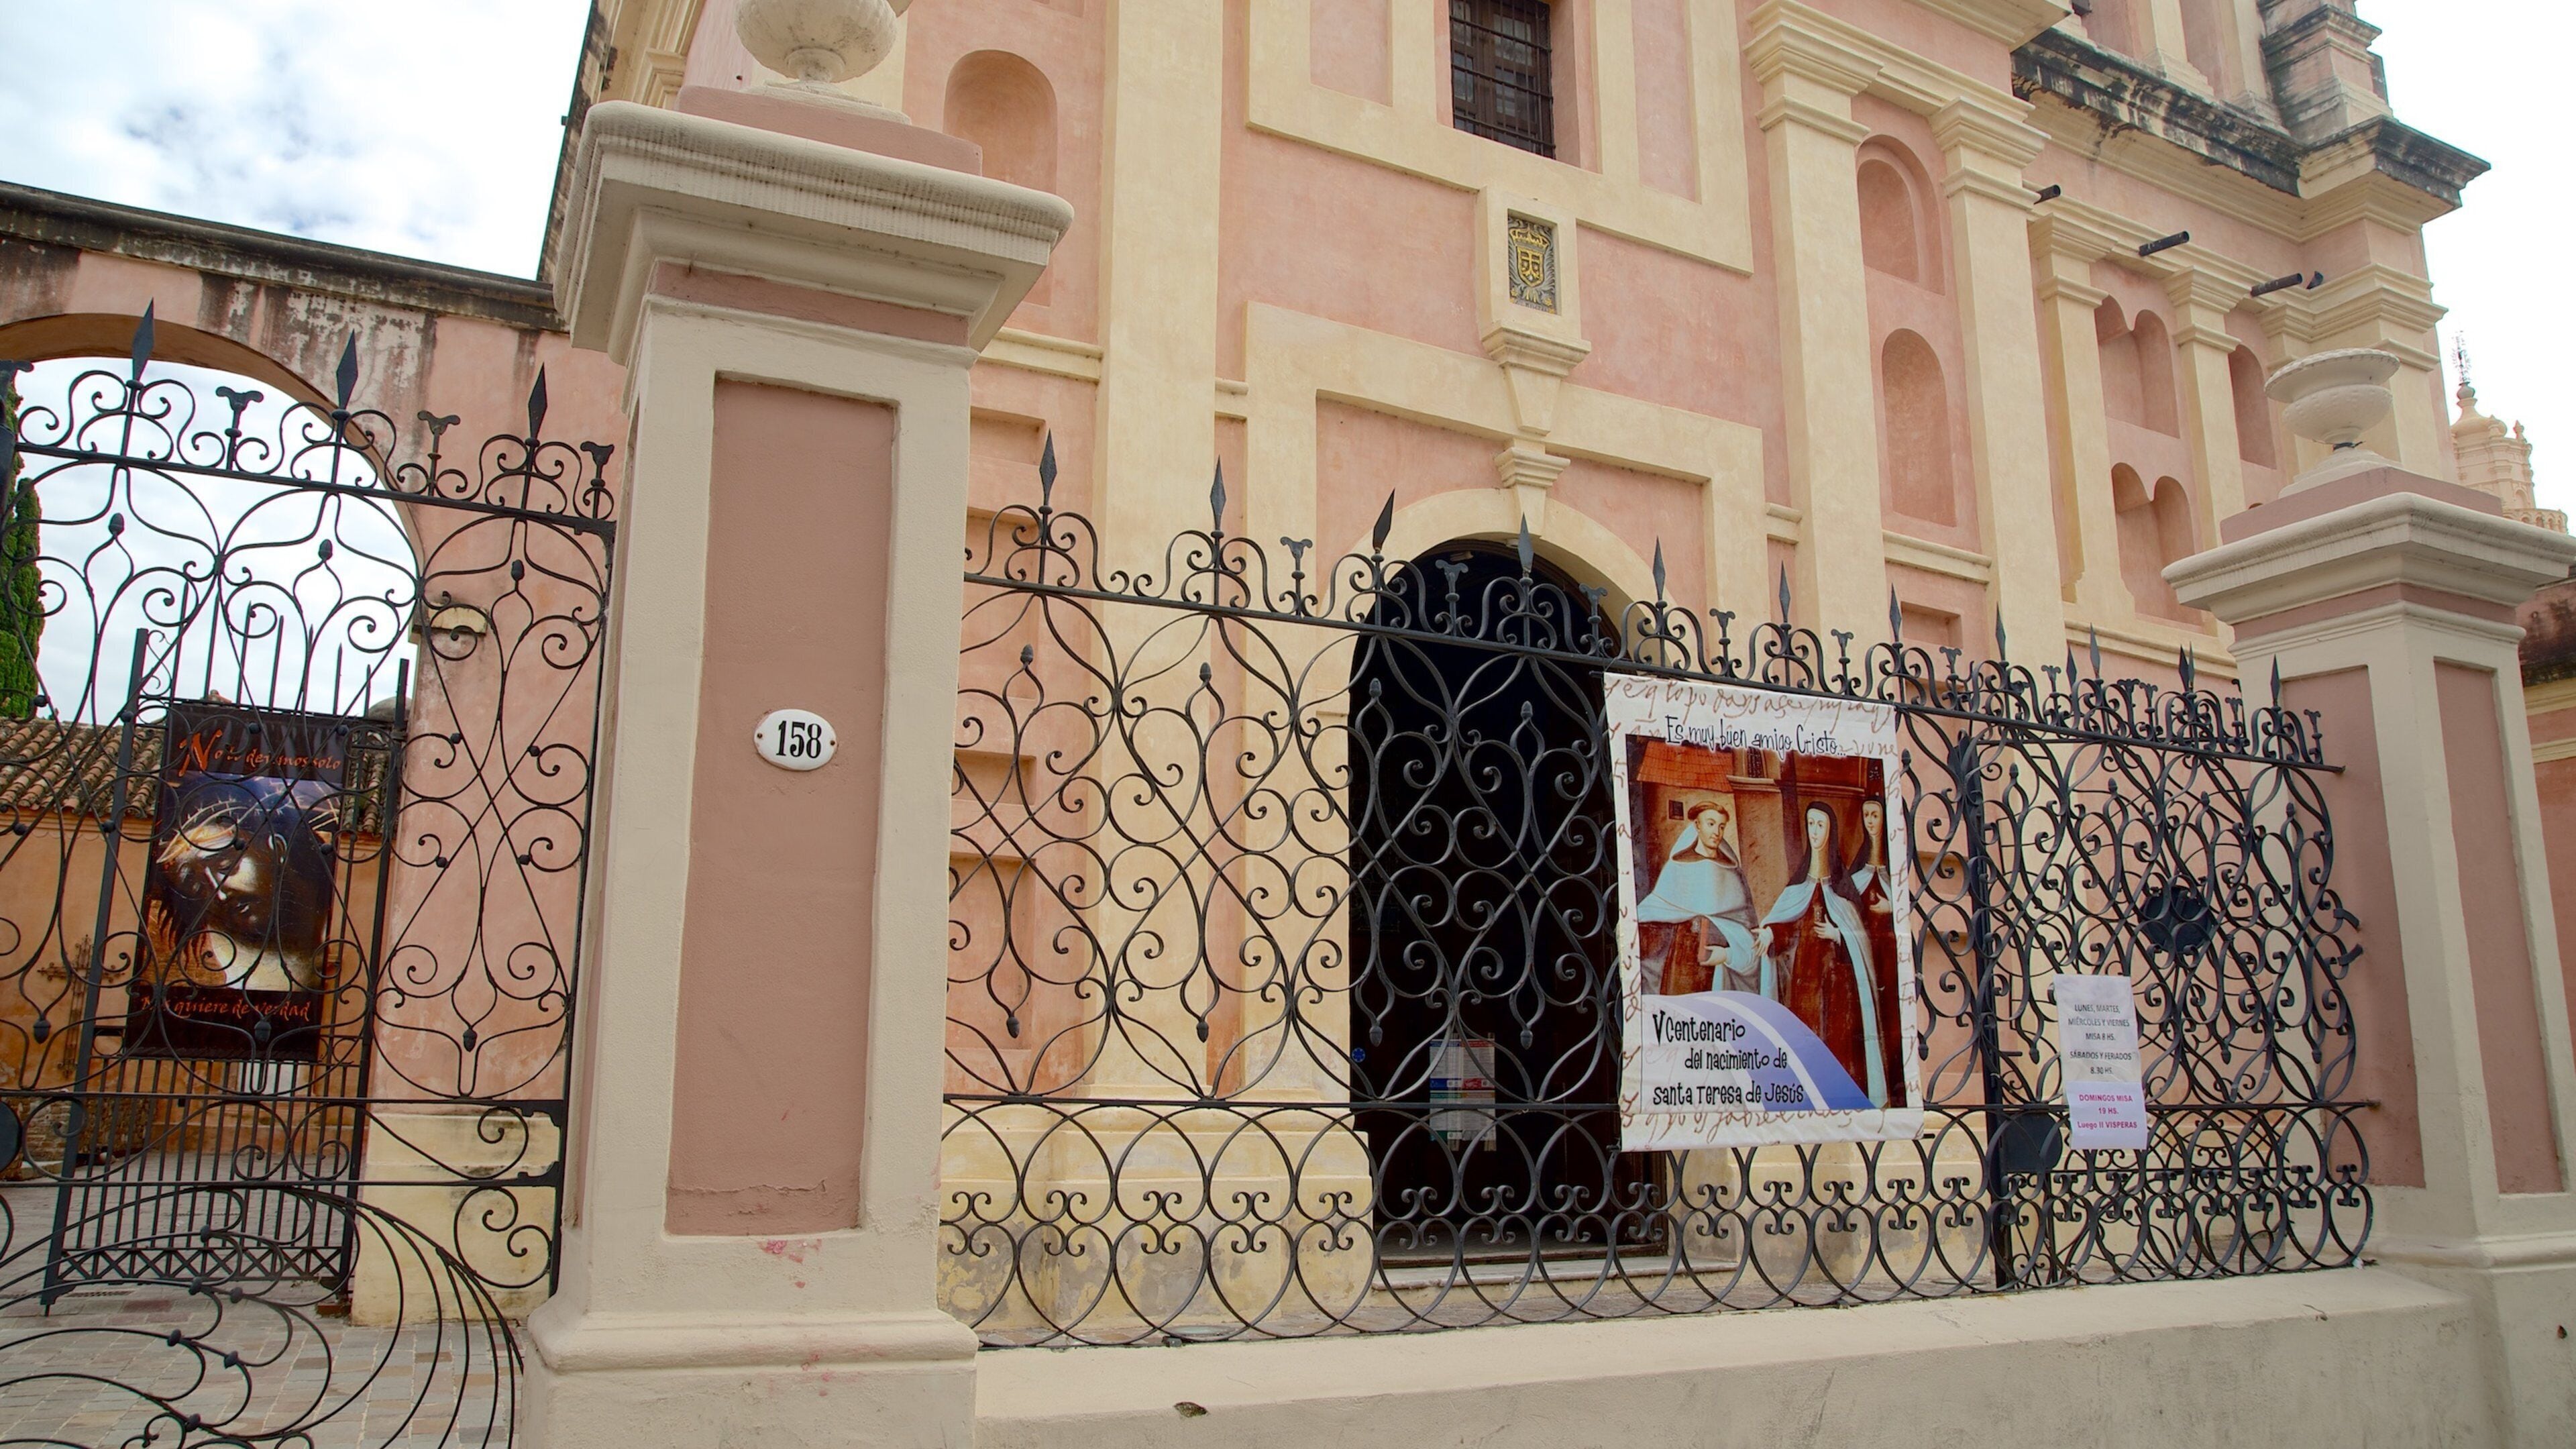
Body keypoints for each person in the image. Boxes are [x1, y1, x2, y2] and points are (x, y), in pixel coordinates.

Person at [1756, 800, 1887, 1106]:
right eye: (1811, 825)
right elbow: (1788, 926)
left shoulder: (1844, 891)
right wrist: (1771, 931)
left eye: (1820, 825)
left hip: (1841, 983)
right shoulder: (1797, 889)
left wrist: (1840, 935)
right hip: (1806, 979)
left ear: (1831, 830)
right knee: (1807, 1035)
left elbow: (1862, 940)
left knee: (1840, 1040)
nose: (1814, 832)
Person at [1635, 802, 1758, 996]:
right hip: (1682, 958)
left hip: (1722, 964)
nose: (1717, 832)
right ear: (1697, 826)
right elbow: (1656, 908)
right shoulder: (1678, 868)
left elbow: (1746, 923)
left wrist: (1728, 953)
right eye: (1711, 824)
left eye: (1721, 826)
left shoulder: (1734, 874)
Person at [1844, 796, 1904, 1097]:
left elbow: (1911, 912)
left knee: (1894, 1021)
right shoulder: (1857, 879)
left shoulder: (1897, 877)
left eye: (1875, 815)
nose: (1870, 821)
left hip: (1891, 963)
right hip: (1866, 962)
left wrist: (1892, 908)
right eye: (1866, 815)